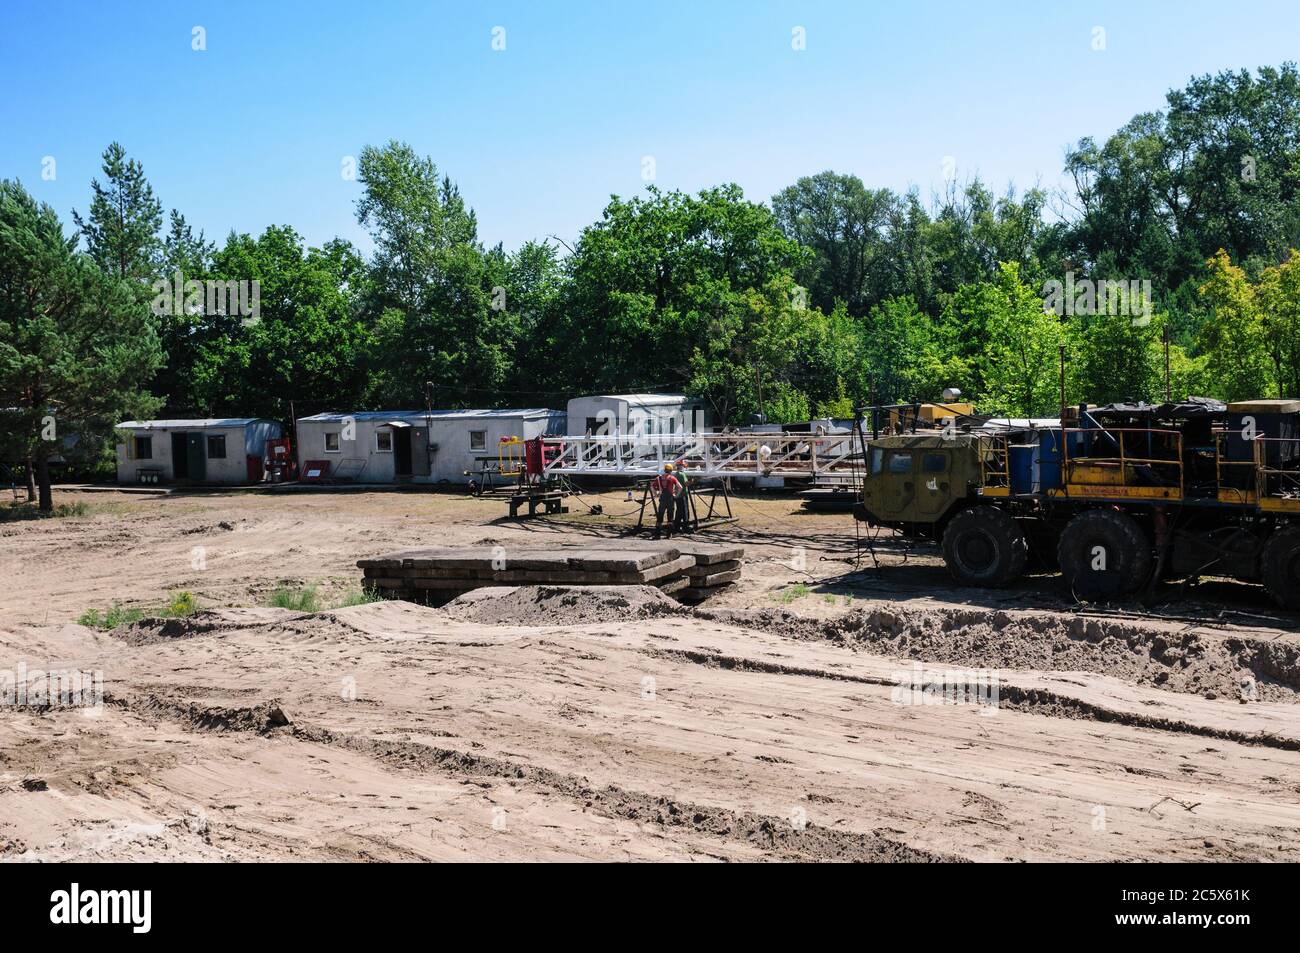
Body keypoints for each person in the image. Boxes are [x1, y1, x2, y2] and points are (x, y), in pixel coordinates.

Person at [650, 463, 681, 539]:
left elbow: (652, 486)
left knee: (660, 517)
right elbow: (680, 487)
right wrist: (676, 495)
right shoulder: (672, 478)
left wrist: (656, 494)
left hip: (662, 499)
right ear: (671, 471)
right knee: (670, 518)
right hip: (670, 499)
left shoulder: (658, 478)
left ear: (664, 470)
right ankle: (668, 535)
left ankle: (657, 535)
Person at [673, 459, 691, 534]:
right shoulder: (682, 474)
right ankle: (685, 527)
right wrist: (693, 480)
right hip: (683, 495)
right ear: (682, 466)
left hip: (677, 495)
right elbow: (686, 484)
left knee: (679, 511)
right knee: (685, 511)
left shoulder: (676, 474)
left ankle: (677, 526)